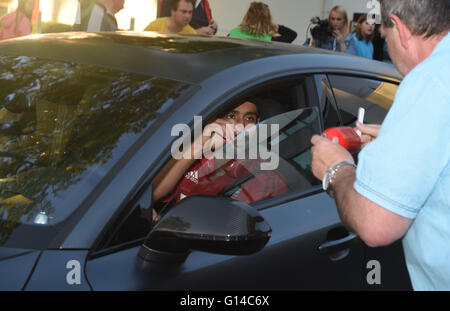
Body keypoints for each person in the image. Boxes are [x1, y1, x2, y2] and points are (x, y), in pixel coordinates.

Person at [310, 0, 450, 291]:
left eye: (385, 38)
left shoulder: (430, 81)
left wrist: (336, 168)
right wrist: (395, 137)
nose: (388, 49)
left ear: (400, 28)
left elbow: (375, 225)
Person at [152, 100, 287, 210]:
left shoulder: (265, 178)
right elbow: (153, 194)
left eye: (249, 118)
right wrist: (198, 145)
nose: (239, 125)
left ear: (258, 124)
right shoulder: (198, 152)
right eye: (231, 116)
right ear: (217, 121)